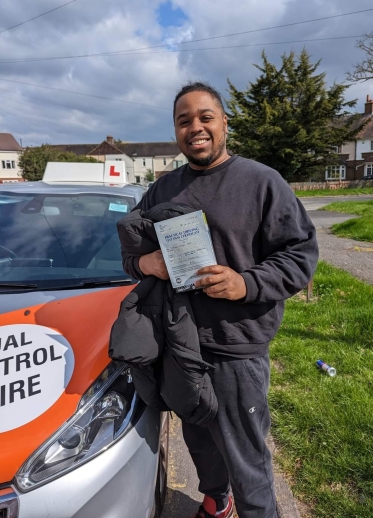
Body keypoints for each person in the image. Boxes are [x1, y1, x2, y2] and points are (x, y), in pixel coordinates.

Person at [120, 82, 318, 518]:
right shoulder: (162, 189)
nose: (196, 127)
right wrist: (146, 264)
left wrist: (246, 283)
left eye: (205, 117)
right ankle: (216, 500)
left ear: (225, 122)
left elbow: (300, 255)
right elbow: (131, 254)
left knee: (246, 457)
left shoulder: (261, 182)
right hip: (180, 344)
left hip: (236, 348)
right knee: (199, 440)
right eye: (184, 120)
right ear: (176, 131)